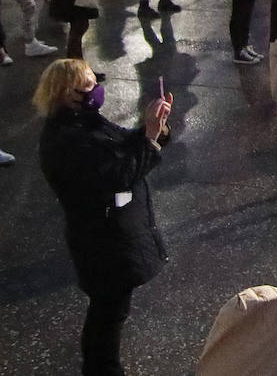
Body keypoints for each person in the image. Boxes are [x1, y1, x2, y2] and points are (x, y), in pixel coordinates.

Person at [35, 57, 174, 375]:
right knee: (107, 313)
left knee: (111, 309)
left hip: (108, 237)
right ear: (66, 92)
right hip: (102, 241)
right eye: (87, 85)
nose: (95, 90)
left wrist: (155, 129)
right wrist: (150, 139)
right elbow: (119, 174)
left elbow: (125, 143)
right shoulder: (66, 139)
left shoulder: (85, 121)